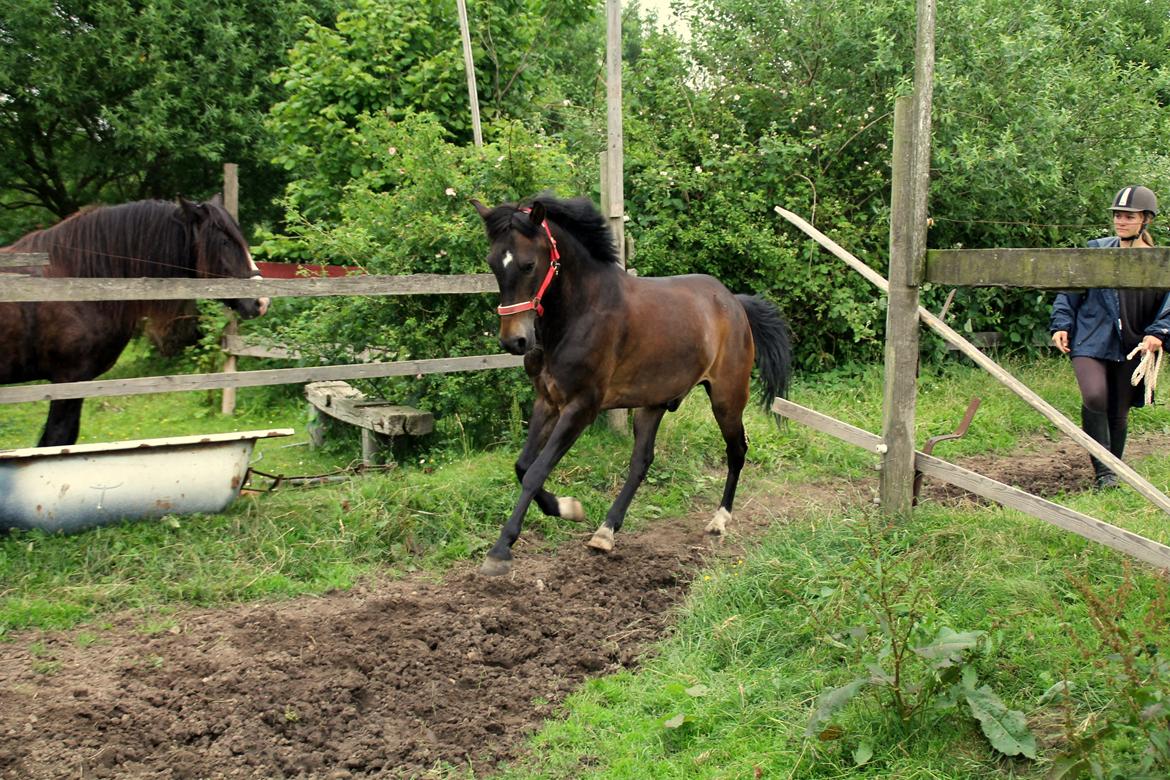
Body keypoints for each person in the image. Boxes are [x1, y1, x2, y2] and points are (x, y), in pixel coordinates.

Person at [1050, 185, 1170, 488]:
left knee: (1118, 410)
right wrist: (1061, 323)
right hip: (1091, 338)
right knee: (1094, 396)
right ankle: (1105, 472)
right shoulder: (1097, 251)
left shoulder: (1161, 260)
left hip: (1134, 343)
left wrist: (1159, 332)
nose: (1120, 221)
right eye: (1117, 215)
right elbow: (1071, 288)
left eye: (1129, 216)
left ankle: (1111, 474)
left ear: (1146, 220)